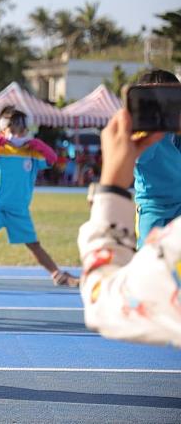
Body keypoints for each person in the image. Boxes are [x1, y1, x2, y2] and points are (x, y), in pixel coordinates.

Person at [78, 108, 179, 347]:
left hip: (167, 209)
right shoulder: (154, 142)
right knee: (147, 259)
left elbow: (105, 304)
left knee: (146, 271)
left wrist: (111, 188)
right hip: (154, 206)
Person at [0, 108, 78, 286]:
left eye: (22, 130)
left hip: (19, 209)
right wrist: (0, 138)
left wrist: (35, 143)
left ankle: (57, 274)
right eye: (12, 129)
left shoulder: (31, 151)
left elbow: (52, 158)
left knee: (33, 244)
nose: (18, 134)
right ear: (3, 130)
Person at [132, 69, 181, 249]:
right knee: (148, 257)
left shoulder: (174, 126)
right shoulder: (141, 129)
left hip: (179, 201)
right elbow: (139, 157)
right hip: (152, 205)